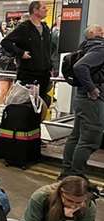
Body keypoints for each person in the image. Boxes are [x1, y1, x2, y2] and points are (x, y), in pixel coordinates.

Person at [61, 25, 104, 179]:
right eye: (100, 30)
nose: (103, 32)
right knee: (90, 139)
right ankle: (77, 175)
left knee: (76, 136)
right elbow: (80, 67)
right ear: (93, 34)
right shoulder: (100, 49)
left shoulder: (86, 47)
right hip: (92, 99)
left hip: (82, 98)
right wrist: (92, 88)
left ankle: (67, 173)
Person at [1, 0, 52, 105]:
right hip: (28, 74)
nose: (46, 9)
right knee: (24, 105)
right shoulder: (24, 28)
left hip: (44, 75)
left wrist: (49, 64)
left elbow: (49, 48)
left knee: (40, 106)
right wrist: (20, 53)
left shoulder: (46, 29)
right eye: (43, 8)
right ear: (35, 10)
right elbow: (5, 42)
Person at [23, 176, 96, 221]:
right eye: (69, 200)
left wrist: (68, 220)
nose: (73, 205)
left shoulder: (89, 206)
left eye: (78, 202)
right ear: (60, 193)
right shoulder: (41, 196)